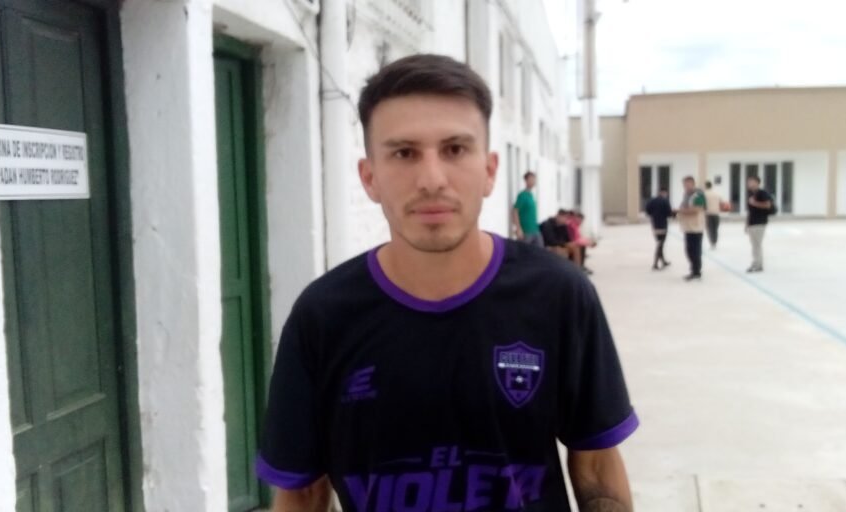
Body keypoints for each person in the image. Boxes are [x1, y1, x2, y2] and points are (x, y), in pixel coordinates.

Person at [257, 54, 636, 512]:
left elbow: (596, 465)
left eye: (455, 149)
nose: (432, 180)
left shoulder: (560, 295)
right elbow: (302, 492)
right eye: (404, 153)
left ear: (489, 171)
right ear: (369, 177)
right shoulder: (322, 316)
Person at [677, 176, 706, 281]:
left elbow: (697, 209)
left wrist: (681, 211)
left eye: (687, 184)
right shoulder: (686, 195)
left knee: (695, 251)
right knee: (689, 250)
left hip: (696, 227)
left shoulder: (698, 195)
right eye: (684, 185)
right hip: (688, 227)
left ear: (693, 184)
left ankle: (696, 272)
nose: (686, 186)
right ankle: (693, 270)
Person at [746, 175, 773, 273]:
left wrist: (754, 203)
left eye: (751, 181)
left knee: (757, 245)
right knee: (754, 245)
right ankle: (756, 263)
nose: (749, 184)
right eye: (748, 182)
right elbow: (750, 211)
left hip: (759, 222)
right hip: (752, 223)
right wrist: (747, 224)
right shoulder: (751, 194)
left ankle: (758, 265)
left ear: (757, 182)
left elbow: (768, 205)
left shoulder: (762, 193)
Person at [644, 189, 674, 270]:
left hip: (654, 224)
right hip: (663, 225)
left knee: (659, 243)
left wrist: (654, 215)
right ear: (664, 193)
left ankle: (663, 261)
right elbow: (669, 213)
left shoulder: (652, 201)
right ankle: (655, 263)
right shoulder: (665, 201)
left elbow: (647, 211)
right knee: (660, 244)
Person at [512, 171, 543, 247]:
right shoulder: (522, 195)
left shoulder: (531, 195)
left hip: (535, 230)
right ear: (526, 180)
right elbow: (515, 211)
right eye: (531, 179)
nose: (533, 181)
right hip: (526, 231)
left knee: (540, 251)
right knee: (523, 251)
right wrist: (518, 228)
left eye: (534, 179)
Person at [703, 181, 723, 249]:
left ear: (705, 186)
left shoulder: (704, 194)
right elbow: (721, 202)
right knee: (715, 229)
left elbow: (702, 204)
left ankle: (712, 243)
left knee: (710, 229)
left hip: (708, 214)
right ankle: (715, 242)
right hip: (716, 213)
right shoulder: (716, 194)